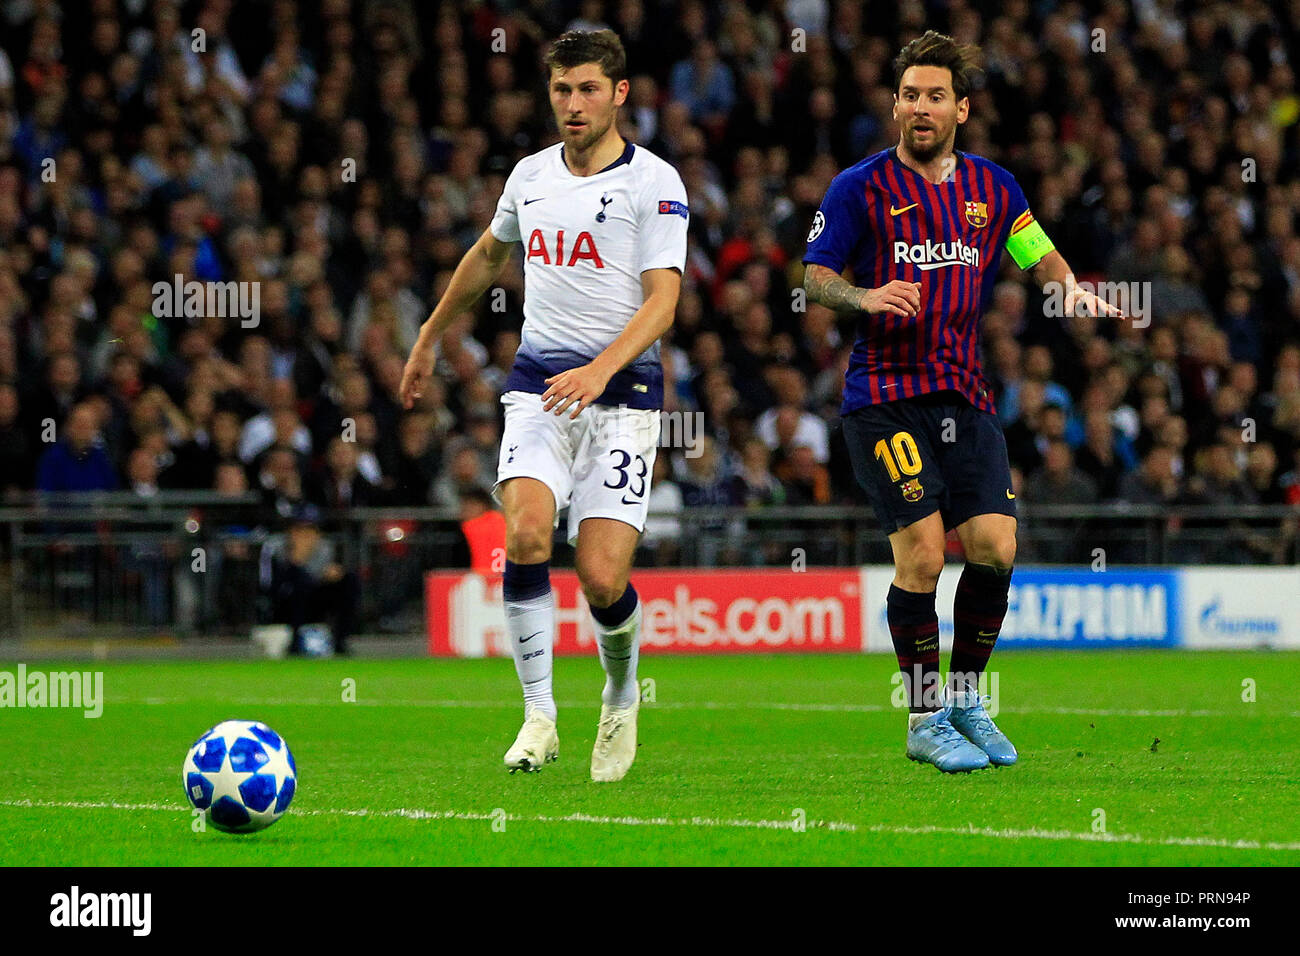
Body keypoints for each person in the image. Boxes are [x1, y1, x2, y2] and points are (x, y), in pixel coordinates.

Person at [802, 31, 1125, 773]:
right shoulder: (860, 187)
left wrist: (1068, 287)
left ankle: (968, 698)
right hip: (883, 398)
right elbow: (815, 277)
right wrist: (863, 294)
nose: (921, 106)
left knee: (995, 547)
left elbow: (1031, 247)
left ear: (962, 109)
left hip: (966, 396)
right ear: (895, 106)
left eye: (935, 95)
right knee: (921, 554)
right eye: (910, 94)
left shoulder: (993, 189)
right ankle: (923, 717)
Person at [400, 30, 687, 782]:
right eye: (562, 90)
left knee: (601, 578)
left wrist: (601, 368)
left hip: (623, 400)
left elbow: (665, 300)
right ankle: (539, 716)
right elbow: (490, 254)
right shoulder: (529, 176)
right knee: (525, 535)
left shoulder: (654, 182)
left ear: (619, 93)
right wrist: (430, 335)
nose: (573, 103)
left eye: (588, 88)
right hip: (537, 391)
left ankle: (621, 696)